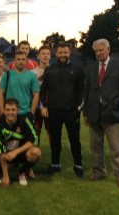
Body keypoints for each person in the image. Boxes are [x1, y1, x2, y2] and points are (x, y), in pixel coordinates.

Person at [83, 38, 119, 188]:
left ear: (108, 49)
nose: (98, 53)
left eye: (101, 50)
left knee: (116, 147)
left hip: (112, 113)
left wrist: (116, 103)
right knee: (95, 146)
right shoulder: (91, 67)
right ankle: (99, 171)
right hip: (94, 113)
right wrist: (85, 112)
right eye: (96, 51)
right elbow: (87, 92)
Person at [40, 44, 85, 177]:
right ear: (56, 54)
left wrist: (79, 108)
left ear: (69, 53)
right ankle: (55, 164)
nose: (63, 55)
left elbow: (83, 90)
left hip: (72, 111)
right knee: (55, 139)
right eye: (60, 52)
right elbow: (43, 90)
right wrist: (44, 107)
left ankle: (78, 165)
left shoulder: (77, 69)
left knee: (74, 140)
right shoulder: (49, 70)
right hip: (54, 112)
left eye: (65, 52)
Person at [0, 98, 41, 187]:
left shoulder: (25, 121)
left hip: (20, 154)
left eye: (13, 110)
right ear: (4, 111)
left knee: (36, 152)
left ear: (18, 110)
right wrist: (6, 176)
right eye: (8, 110)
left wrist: (15, 152)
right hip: (5, 155)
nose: (10, 112)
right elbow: (1, 150)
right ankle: (1, 171)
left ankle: (21, 171)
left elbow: (33, 141)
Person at [0, 51, 40, 116]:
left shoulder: (32, 76)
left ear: (26, 61)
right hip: (10, 113)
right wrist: (2, 110)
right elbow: (1, 93)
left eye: (23, 59)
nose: (21, 61)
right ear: (14, 60)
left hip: (26, 112)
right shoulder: (7, 75)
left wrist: (31, 113)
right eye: (18, 59)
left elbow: (36, 95)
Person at [31, 45, 51, 144]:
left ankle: (54, 156)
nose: (45, 56)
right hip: (36, 107)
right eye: (43, 53)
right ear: (38, 56)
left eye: (47, 53)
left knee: (51, 132)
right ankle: (34, 155)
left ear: (50, 56)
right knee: (35, 132)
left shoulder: (54, 71)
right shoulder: (32, 73)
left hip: (50, 107)